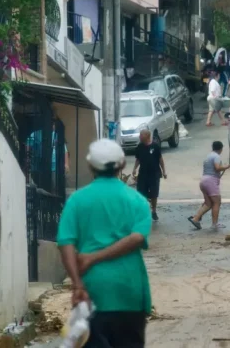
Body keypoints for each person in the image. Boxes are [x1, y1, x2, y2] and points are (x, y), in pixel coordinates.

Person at [57, 139, 152, 347]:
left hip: (92, 291)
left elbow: (65, 244)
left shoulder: (76, 200)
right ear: (122, 165)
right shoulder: (137, 201)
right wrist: (95, 258)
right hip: (129, 291)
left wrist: (77, 284)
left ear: (91, 166)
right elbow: (137, 238)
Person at [189, 141, 230, 230]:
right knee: (217, 202)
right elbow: (217, 168)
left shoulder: (208, 156)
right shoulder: (216, 156)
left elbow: (214, 170)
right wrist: (226, 167)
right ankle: (214, 224)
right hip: (211, 181)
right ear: (221, 149)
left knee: (208, 203)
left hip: (204, 181)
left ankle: (196, 218)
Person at [132, 130, 166, 221]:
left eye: (141, 135)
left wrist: (164, 171)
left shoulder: (155, 146)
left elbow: (160, 160)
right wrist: (134, 169)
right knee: (141, 193)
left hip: (154, 174)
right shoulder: (139, 147)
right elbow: (138, 159)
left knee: (154, 194)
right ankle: (144, 211)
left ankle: (154, 211)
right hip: (143, 174)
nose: (139, 137)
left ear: (147, 136)